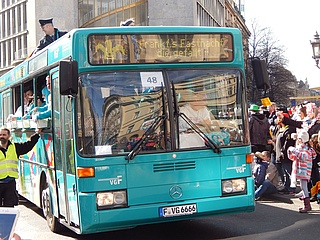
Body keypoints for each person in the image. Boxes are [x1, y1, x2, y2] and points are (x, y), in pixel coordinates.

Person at [0, 127, 41, 207]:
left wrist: (37, 134)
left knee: (10, 208)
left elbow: (28, 145)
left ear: (9, 136)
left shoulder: (15, 147)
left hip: (10, 184)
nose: (2, 136)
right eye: (0, 135)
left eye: (4, 135)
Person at [287, 130, 317, 213]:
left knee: (304, 188)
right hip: (300, 170)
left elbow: (303, 156)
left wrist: (293, 150)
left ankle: (307, 205)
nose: (298, 140)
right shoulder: (301, 148)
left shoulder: (308, 149)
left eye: (300, 139)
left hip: (304, 171)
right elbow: (294, 157)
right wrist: (290, 152)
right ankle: (305, 205)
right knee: (302, 187)